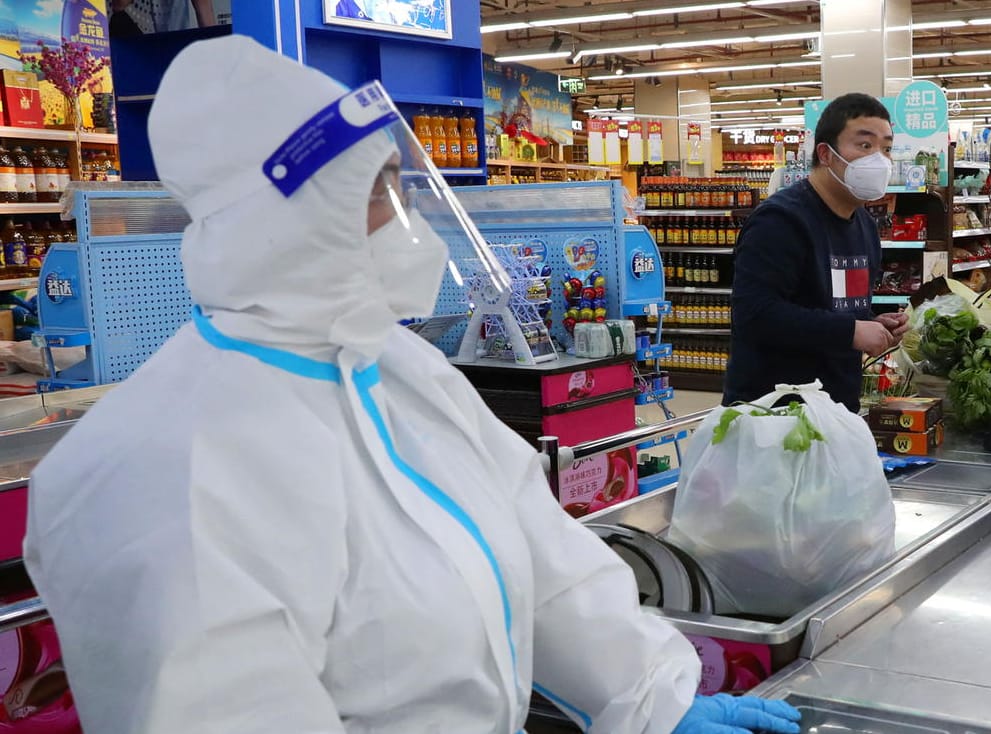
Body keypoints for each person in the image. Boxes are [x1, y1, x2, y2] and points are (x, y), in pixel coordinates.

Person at [22, 36, 802, 734]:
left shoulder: (397, 370)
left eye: (403, 186)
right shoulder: (170, 467)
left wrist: (652, 697)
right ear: (278, 217)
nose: (408, 226)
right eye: (376, 193)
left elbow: (542, 554)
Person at [725, 93, 909, 413]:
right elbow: (755, 314)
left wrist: (872, 323)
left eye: (887, 148)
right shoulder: (781, 220)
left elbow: (830, 311)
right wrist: (851, 331)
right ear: (825, 153)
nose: (879, 159)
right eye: (865, 146)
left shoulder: (864, 226)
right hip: (772, 415)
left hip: (836, 411)